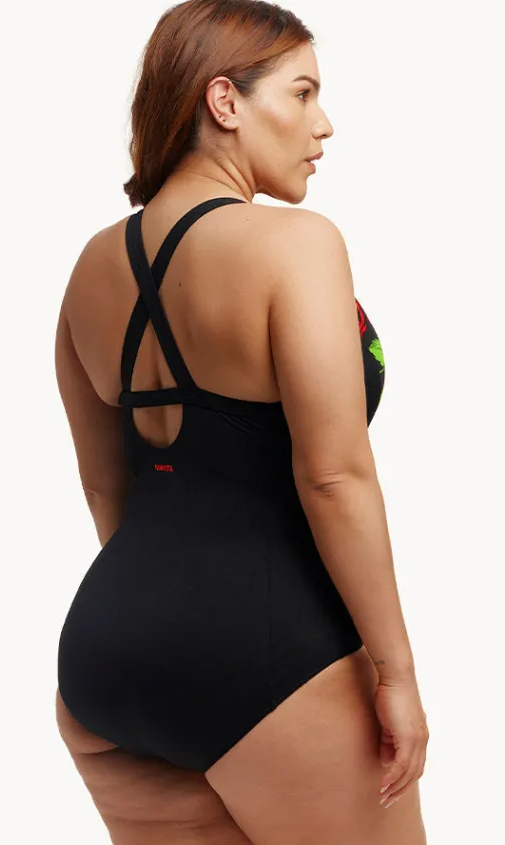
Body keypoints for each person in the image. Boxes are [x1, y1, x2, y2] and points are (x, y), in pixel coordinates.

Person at [54, 1, 429, 842]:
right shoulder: (296, 245)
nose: (323, 124)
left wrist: (169, 617)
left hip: (108, 655)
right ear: (225, 101)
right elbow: (333, 476)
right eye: (302, 93)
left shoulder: (89, 269)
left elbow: (104, 484)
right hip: (269, 653)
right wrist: (396, 672)